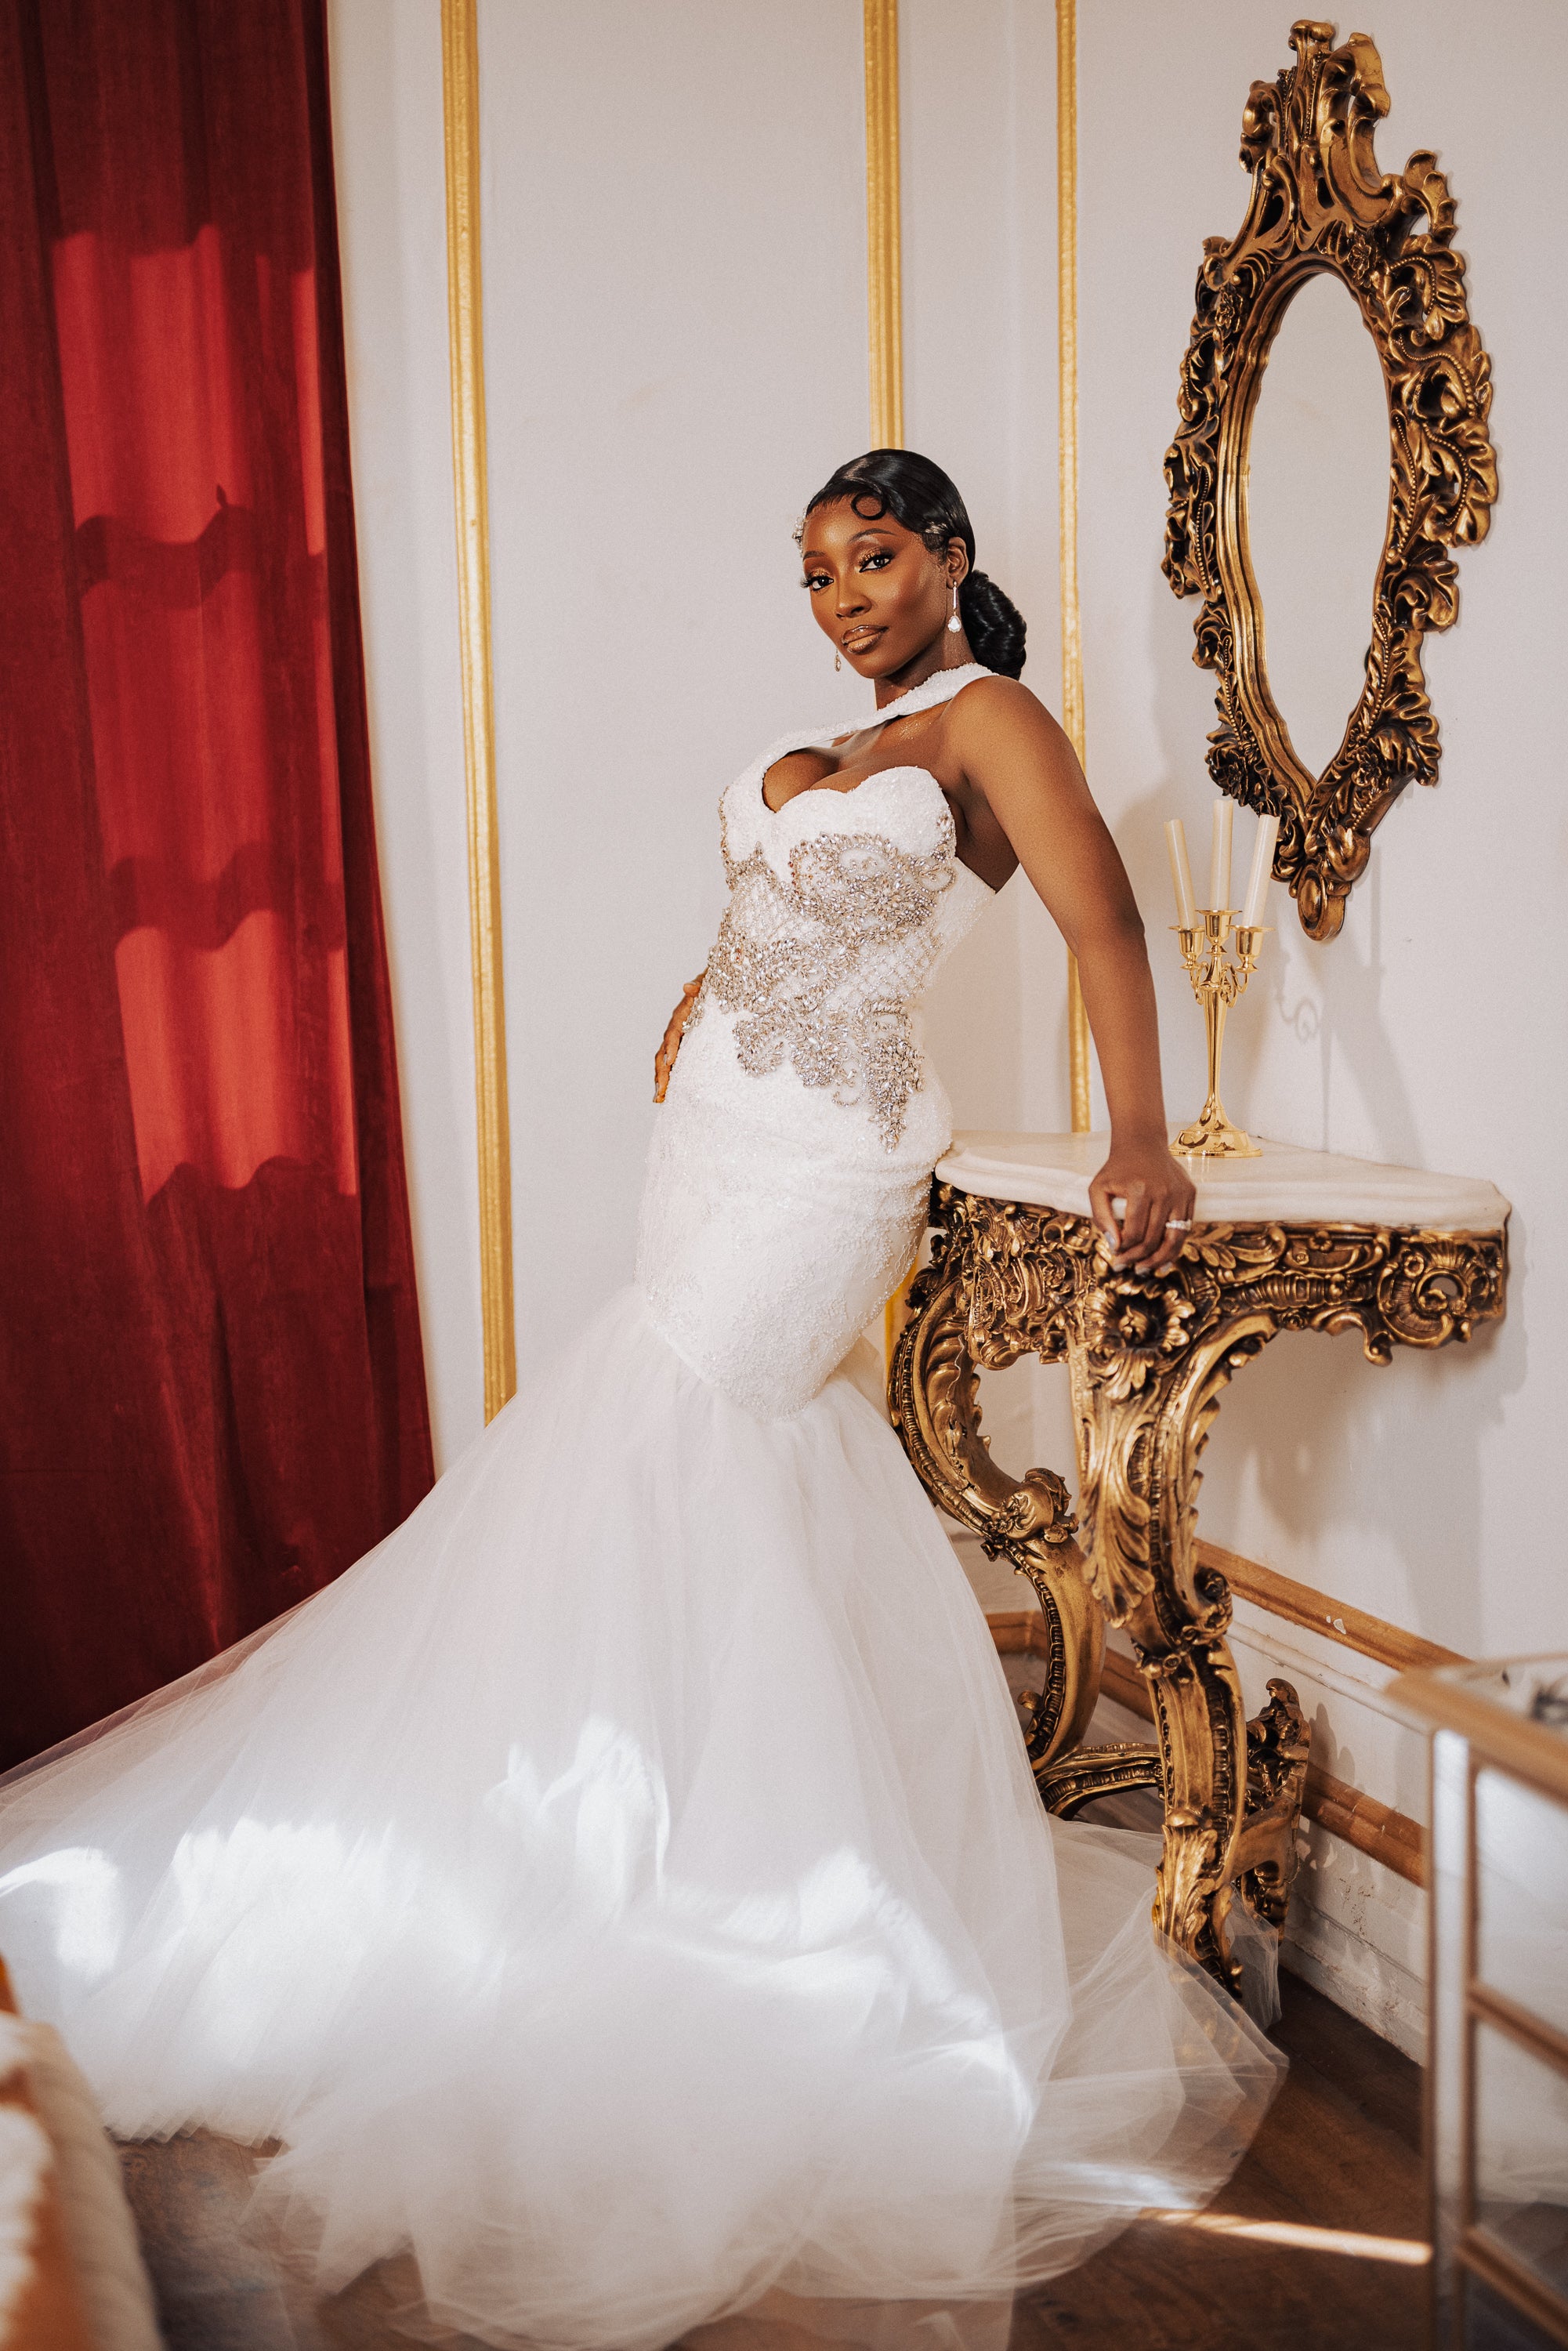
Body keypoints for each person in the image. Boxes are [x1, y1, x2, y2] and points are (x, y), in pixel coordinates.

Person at [0, 450, 1276, 2351]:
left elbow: (1097, 924)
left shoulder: (991, 724)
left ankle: (729, 1907)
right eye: (816, 574)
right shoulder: (839, 741)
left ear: (945, 560)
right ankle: (619, 1852)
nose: (842, 597)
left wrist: (1142, 1140)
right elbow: (784, 907)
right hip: (713, 1134)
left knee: (686, 1431)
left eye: (873, 558)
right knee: (670, 1460)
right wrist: (704, 983)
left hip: (834, 1158)